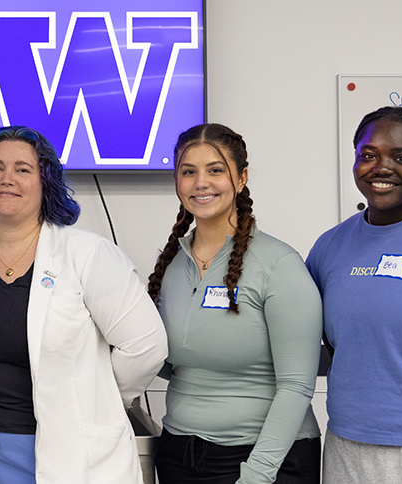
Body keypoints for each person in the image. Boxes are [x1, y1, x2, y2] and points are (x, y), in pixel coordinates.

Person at [0, 125, 168, 484]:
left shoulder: (88, 255)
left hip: (59, 452)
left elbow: (146, 346)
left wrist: (93, 397)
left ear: (45, 181)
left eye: (23, 169)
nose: (7, 179)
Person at [148, 124, 322, 484]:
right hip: (179, 455)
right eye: (188, 171)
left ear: (241, 179)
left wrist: (257, 474)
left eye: (215, 170)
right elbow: (168, 359)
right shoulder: (172, 264)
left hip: (265, 459)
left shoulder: (279, 265)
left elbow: (296, 386)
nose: (201, 183)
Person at [306, 106, 402, 483]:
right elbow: (323, 342)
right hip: (345, 443)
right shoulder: (330, 246)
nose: (381, 167)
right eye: (368, 155)